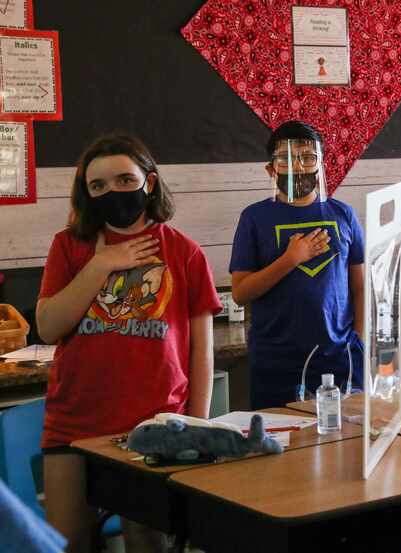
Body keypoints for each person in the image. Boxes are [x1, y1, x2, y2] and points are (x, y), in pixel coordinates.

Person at [37, 134, 221, 552]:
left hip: (156, 426)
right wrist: (102, 264)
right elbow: (48, 326)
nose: (112, 192)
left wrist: (196, 427)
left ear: (149, 183)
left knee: (147, 543)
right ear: (86, 192)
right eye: (97, 185)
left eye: (124, 180)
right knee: (65, 544)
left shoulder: (185, 253)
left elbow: (201, 352)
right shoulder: (69, 246)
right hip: (75, 425)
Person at [230, 120, 365, 408]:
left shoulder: (344, 214)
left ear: (321, 167)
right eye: (286, 159)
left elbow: (361, 286)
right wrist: (291, 259)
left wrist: (359, 339)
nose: (298, 166)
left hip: (339, 356)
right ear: (270, 169)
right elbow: (241, 293)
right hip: (275, 360)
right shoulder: (254, 218)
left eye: (307, 157)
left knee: (342, 442)